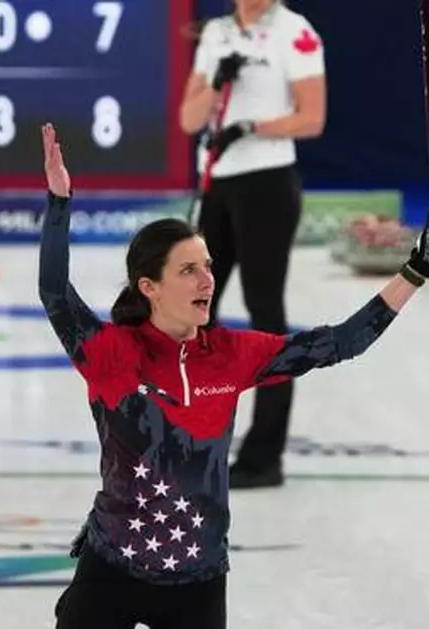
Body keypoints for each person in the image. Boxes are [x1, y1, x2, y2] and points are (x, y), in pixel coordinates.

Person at [37, 122, 429, 628]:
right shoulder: (110, 352)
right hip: (112, 570)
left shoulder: (233, 354)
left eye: (208, 266)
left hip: (197, 581)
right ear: (149, 286)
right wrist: (59, 202)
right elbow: (56, 292)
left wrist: (415, 270)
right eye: (188, 270)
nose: (208, 279)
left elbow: (342, 342)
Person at [177, 0, 328, 488]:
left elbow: (312, 117)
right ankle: (197, 439)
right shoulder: (217, 33)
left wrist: (251, 127)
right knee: (195, 314)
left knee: (265, 314)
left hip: (266, 182)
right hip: (217, 182)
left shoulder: (295, 31)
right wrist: (218, 81)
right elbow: (188, 118)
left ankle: (264, 456)